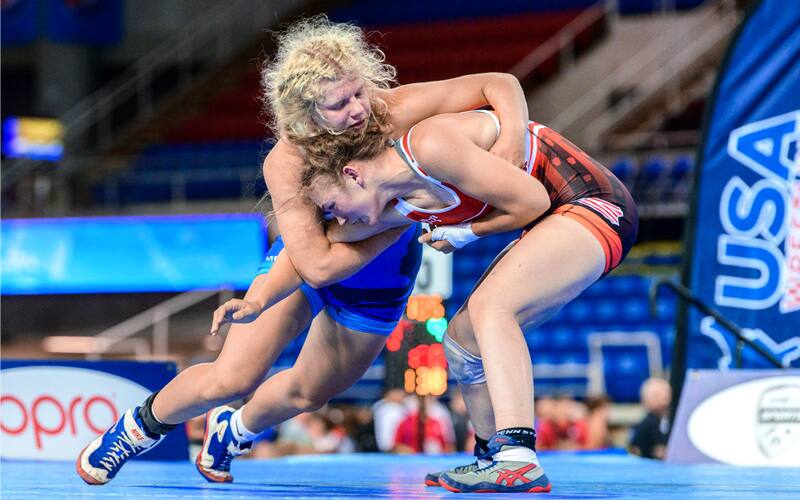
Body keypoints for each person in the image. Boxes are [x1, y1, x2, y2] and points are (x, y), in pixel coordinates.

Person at [75, 15, 530, 486]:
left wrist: (513, 135)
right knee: (231, 378)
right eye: (339, 104)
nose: (358, 110)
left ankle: (236, 428)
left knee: (309, 393)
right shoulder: (288, 161)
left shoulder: (388, 110)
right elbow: (315, 265)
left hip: (380, 280)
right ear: (305, 112)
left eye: (359, 92)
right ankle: (135, 429)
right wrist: (401, 220)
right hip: (306, 265)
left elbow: (500, 83)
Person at [296, 108, 638, 492]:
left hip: (593, 203)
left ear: (353, 175)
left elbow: (533, 200)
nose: (341, 221)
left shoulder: (427, 146)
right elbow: (316, 252)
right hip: (555, 217)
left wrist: (467, 232)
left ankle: (518, 457)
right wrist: (259, 297)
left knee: (491, 307)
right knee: (460, 341)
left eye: (333, 208)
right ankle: (491, 457)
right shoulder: (396, 206)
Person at [629, 377, 671, 459]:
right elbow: (637, 448)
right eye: (657, 394)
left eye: (667, 393)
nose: (665, 397)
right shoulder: (644, 426)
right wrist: (654, 451)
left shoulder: (672, 421)